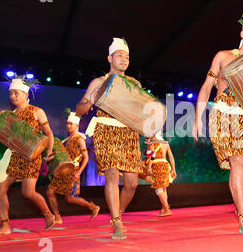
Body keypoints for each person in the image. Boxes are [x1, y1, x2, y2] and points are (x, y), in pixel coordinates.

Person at [193, 10, 243, 236]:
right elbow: (207, 86)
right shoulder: (224, 56)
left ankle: (241, 207)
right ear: (242, 33)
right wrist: (197, 118)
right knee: (238, 162)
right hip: (226, 112)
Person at [76, 38, 143, 240]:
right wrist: (91, 100)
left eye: (127, 57)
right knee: (112, 174)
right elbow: (80, 109)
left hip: (128, 133)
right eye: (120, 55)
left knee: (132, 183)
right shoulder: (98, 82)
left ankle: (117, 214)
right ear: (110, 58)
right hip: (106, 130)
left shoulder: (134, 83)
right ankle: (117, 221)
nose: (124, 60)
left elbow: (140, 112)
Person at [0, 77, 56, 236]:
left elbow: (49, 134)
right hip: (14, 156)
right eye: (10, 93)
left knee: (28, 193)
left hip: (32, 156)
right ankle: (4, 226)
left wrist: (50, 150)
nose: (12, 96)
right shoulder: (10, 115)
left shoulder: (36, 111)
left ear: (26, 94)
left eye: (16, 93)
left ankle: (48, 214)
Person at [45, 111, 100, 223]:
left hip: (72, 171)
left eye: (71, 124)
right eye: (67, 123)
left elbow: (86, 158)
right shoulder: (67, 139)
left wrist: (78, 173)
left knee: (70, 198)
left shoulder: (79, 138)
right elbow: (62, 155)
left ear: (77, 125)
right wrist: (49, 158)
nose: (69, 126)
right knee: (50, 192)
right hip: (63, 169)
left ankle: (92, 207)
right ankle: (58, 217)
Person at [143, 133, 177, 216]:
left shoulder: (152, 142)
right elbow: (171, 156)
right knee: (163, 188)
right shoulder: (165, 143)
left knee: (158, 188)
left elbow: (152, 155)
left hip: (156, 165)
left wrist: (149, 167)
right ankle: (164, 209)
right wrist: (173, 169)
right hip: (165, 164)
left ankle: (167, 208)